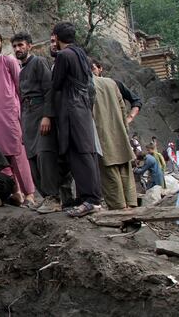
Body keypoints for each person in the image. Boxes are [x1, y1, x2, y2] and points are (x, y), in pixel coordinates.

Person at [50, 22, 102, 217]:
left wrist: (54, 56)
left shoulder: (64, 55)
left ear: (58, 37)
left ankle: (90, 200)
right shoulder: (80, 53)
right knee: (87, 151)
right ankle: (91, 196)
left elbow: (56, 83)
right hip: (82, 105)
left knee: (78, 153)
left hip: (71, 107)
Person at [0, 31, 35, 205]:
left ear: (1, 43)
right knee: (1, 156)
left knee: (18, 153)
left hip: (11, 113)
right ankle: (15, 191)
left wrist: (21, 111)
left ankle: (30, 193)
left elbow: (20, 86)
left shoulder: (9, 61)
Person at [11, 32, 64, 214]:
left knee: (45, 156)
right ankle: (46, 196)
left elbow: (49, 90)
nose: (18, 49)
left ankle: (54, 198)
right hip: (27, 117)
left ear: (29, 46)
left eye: (21, 45)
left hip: (41, 112)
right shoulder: (22, 70)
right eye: (15, 46)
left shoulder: (38, 62)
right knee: (32, 158)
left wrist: (47, 116)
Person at [92, 74, 137, 210]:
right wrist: (124, 127)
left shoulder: (85, 86)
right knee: (125, 170)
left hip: (102, 135)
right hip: (119, 132)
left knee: (109, 173)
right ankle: (131, 206)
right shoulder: (111, 83)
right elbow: (122, 107)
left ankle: (120, 209)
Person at [90, 59, 142, 126]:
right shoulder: (88, 90)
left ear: (100, 68)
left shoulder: (115, 84)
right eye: (89, 71)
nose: (92, 73)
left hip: (119, 126)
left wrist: (129, 118)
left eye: (93, 69)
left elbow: (136, 101)